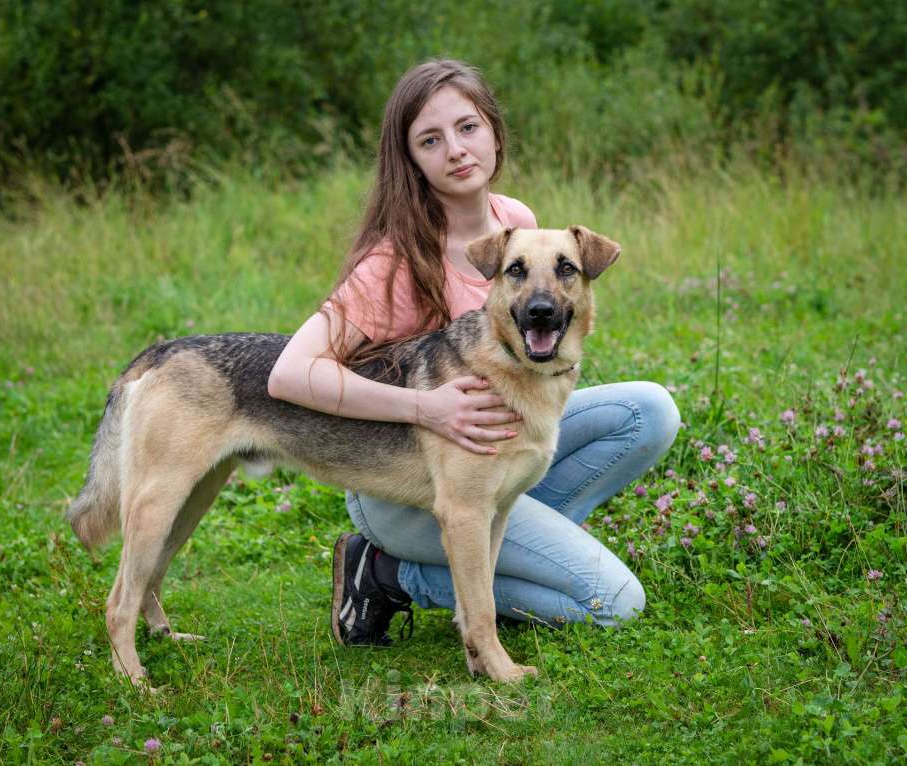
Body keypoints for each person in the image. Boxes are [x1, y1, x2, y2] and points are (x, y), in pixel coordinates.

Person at [267, 59, 680, 646]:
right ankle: (389, 574)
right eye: (430, 140)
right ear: (410, 160)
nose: (456, 150)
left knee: (649, 411)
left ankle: (517, 556)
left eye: (467, 127)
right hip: (407, 485)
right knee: (613, 603)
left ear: (494, 132)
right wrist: (426, 408)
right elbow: (288, 374)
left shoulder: (516, 223)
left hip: (502, 455)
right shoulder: (394, 262)